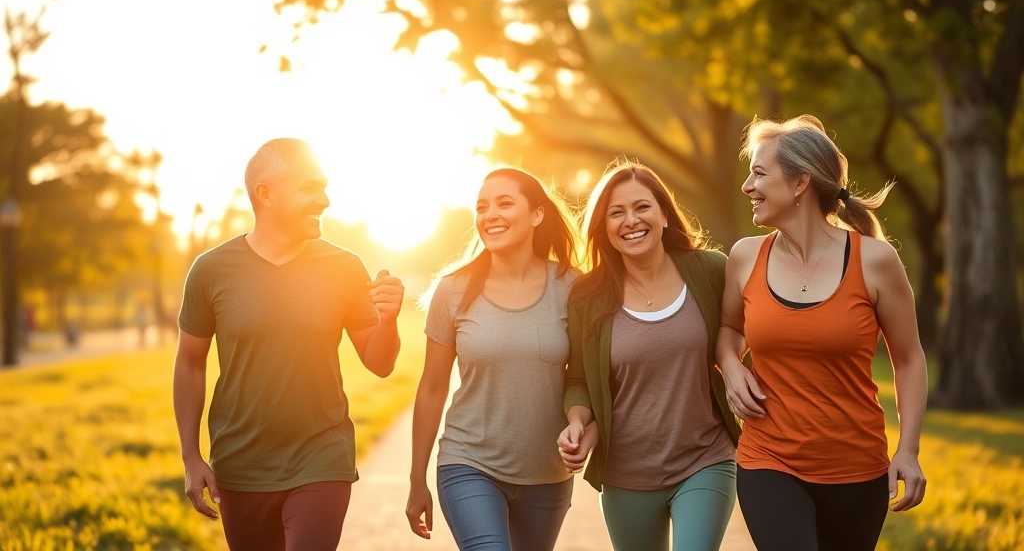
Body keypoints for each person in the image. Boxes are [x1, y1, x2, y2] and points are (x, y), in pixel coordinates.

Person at [173, 138, 405, 551]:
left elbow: (381, 363)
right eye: (309, 188)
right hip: (240, 464)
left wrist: (388, 320)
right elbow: (190, 363)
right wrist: (191, 457)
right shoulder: (210, 270)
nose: (325, 200)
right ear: (265, 194)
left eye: (324, 187)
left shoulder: (344, 267)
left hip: (322, 458)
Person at [717, 115, 928, 551]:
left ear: (800, 183)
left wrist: (908, 450)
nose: (747, 186)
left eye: (759, 174)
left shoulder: (875, 261)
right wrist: (731, 367)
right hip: (768, 459)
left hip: (857, 469)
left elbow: (909, 359)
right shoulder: (745, 257)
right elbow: (729, 329)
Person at [558, 158, 743, 551]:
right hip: (626, 473)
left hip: (705, 458)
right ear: (604, 227)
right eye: (616, 213)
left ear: (664, 214)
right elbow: (578, 380)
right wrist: (577, 422)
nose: (631, 221)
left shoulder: (711, 270)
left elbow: (743, 335)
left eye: (642, 207)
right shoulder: (587, 296)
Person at [405, 167, 581, 551]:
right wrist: (417, 479)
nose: (490, 215)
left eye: (505, 203)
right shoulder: (453, 290)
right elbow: (432, 387)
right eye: (482, 207)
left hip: (547, 474)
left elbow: (583, 378)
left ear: (536, 215)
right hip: (468, 463)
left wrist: (584, 426)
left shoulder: (572, 287)